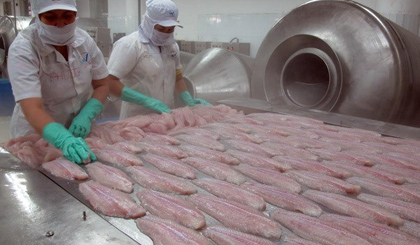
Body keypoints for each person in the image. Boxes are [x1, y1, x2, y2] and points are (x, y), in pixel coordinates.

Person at [8, 0, 110, 164]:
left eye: (67, 16)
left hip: (78, 130)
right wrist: (62, 138)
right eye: (50, 17)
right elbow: (32, 106)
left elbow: (103, 84)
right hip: (38, 134)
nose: (61, 23)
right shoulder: (24, 48)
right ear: (39, 16)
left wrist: (87, 114)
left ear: (76, 15)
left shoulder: (85, 41)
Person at [107, 0, 210, 119]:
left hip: (166, 115)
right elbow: (109, 82)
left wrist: (187, 98)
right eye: (161, 28)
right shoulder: (130, 45)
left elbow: (177, 78)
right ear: (148, 22)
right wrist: (145, 101)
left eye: (171, 29)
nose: (166, 33)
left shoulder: (172, 47)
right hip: (137, 117)